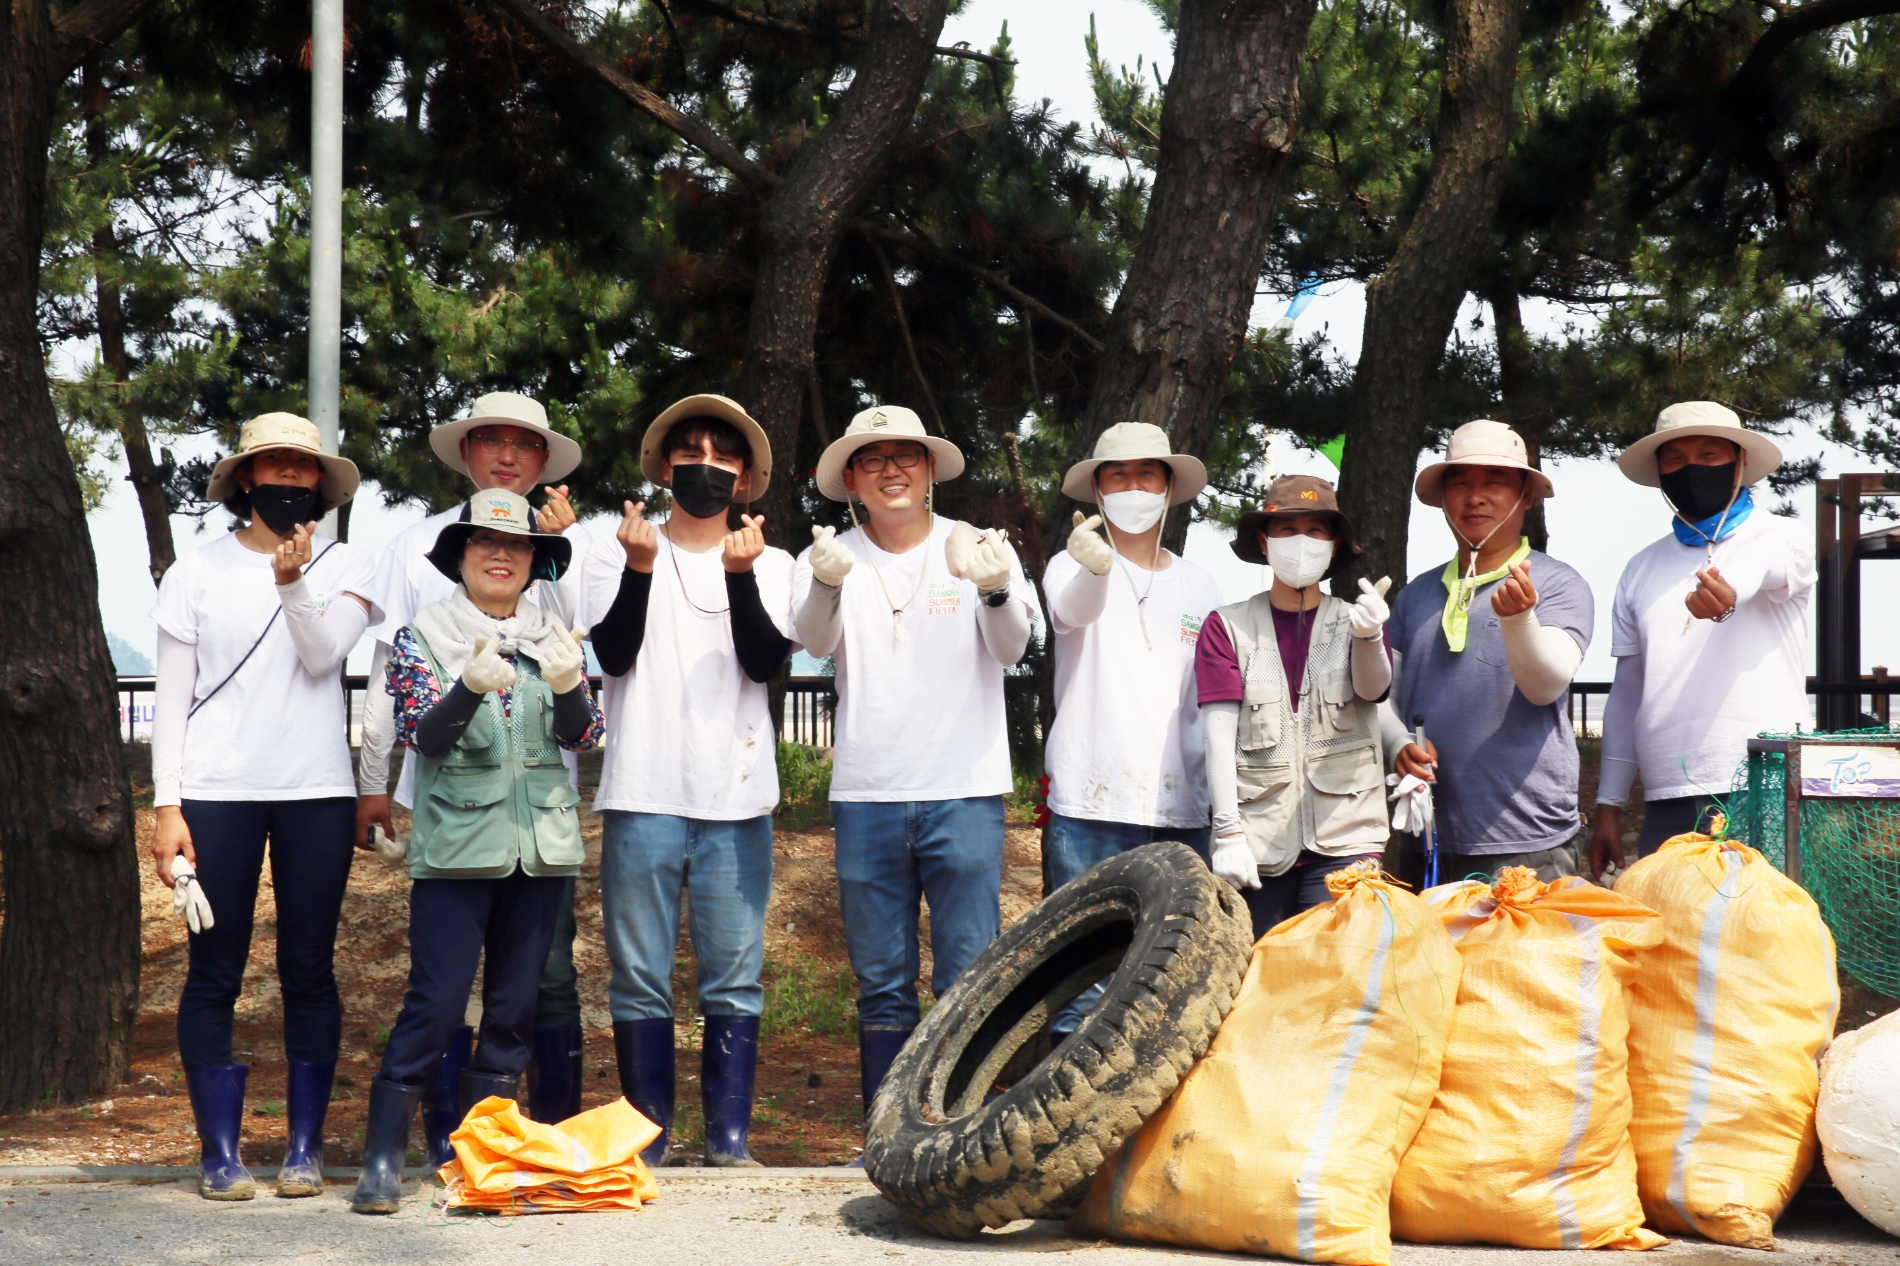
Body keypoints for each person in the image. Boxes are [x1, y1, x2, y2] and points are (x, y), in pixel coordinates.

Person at [351, 489, 602, 1215]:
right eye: (485, 543)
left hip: (540, 851)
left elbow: (585, 736)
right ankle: (381, 1160)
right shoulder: (423, 636)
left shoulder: (554, 635)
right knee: (434, 1006)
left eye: (517, 545)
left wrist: (568, 684)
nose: (501, 556)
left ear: (534, 562)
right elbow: (422, 736)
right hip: (457, 850)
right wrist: (465, 688)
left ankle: (481, 1158)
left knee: (514, 1011)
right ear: (460, 557)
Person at [149, 413, 380, 1200]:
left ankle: (304, 1150)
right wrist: (167, 807)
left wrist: (293, 583)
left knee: (309, 967)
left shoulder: (349, 561)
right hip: (216, 790)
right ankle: (219, 1154)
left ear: (321, 481)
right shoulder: (196, 571)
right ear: (244, 478)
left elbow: (322, 655)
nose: (289, 478)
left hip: (316, 788)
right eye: (273, 465)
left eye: (303, 467)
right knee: (215, 968)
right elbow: (172, 699)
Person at [791, 405, 1039, 1133]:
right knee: (881, 984)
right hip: (868, 793)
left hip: (963, 791)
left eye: (906, 456)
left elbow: (1011, 649)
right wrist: (826, 583)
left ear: (930, 469)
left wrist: (994, 588)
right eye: (872, 460)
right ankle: (888, 1137)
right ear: (850, 481)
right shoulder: (830, 554)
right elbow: (813, 641)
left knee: (969, 977)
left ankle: (959, 1137)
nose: (891, 470)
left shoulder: (978, 547)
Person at [579, 395, 796, 1167]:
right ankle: (650, 1137)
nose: (706, 466)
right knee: (639, 977)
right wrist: (639, 569)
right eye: (690, 451)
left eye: (723, 455)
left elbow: (765, 662)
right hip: (642, 792)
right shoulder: (614, 550)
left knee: (734, 979)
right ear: (663, 468)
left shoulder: (777, 564)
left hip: (737, 797)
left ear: (746, 479)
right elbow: (612, 654)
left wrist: (740, 576)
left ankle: (728, 1140)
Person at [1042, 423, 1223, 1027]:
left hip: (1183, 807)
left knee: (1172, 981)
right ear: (1097, 489)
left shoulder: (1200, 584)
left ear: (1169, 487)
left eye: (1147, 474)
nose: (1133, 487)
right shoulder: (1068, 566)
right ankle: (1072, 1093)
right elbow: (1073, 610)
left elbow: (1212, 693)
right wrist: (1095, 570)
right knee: (1082, 981)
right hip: (1089, 803)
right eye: (1118, 475)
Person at [1589, 402, 1815, 877]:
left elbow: (1763, 563)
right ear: (1659, 473)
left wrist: (1728, 589)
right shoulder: (1640, 568)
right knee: (1669, 925)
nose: (1691, 468)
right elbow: (1627, 691)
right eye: (1675, 459)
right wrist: (1609, 804)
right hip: (1666, 796)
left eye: (1709, 455)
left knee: (1766, 922)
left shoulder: (1783, 535)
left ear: (1740, 462)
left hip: (1766, 788)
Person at [1385, 420, 1594, 883]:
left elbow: (1545, 686)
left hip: (1528, 841)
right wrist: (1396, 741)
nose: (1474, 497)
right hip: (1426, 834)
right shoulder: (1414, 595)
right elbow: (1381, 697)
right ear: (1443, 498)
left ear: (1526, 496)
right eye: (1459, 483)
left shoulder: (1559, 584)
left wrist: (1519, 621)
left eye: (1494, 483)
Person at [1193, 476, 1393, 938]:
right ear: (1264, 542)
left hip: (1348, 840)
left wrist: (1370, 637)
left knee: (1340, 969)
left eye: (1315, 530)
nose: (1301, 542)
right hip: (1258, 847)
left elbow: (1374, 690)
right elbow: (1218, 739)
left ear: (1334, 544)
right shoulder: (1226, 627)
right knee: (1260, 971)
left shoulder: (1356, 619)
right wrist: (1228, 834)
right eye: (1286, 530)